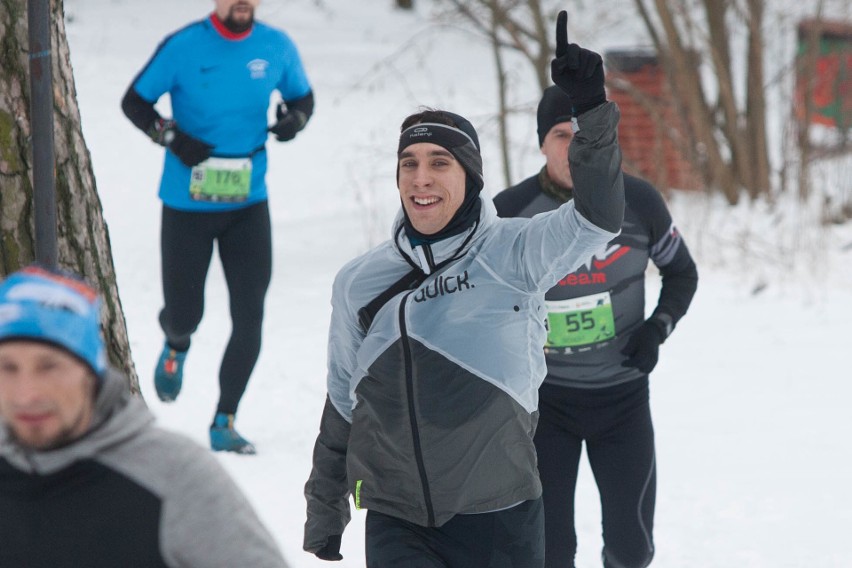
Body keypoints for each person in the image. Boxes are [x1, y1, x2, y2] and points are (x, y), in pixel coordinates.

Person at [303, 13, 624, 567]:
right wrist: (325, 503)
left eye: (438, 163)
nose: (420, 178)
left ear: (470, 176)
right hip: (396, 518)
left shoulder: (515, 253)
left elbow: (597, 217)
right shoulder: (360, 283)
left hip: (499, 515)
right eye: (409, 164)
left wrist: (592, 110)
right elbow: (341, 397)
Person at [493, 84, 699, 568]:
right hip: (544, 408)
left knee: (631, 549)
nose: (576, 147)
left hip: (622, 401)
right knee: (550, 550)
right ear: (541, 142)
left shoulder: (640, 202)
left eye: (587, 135)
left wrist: (657, 329)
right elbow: (481, 301)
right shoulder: (508, 213)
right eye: (562, 135)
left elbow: (682, 273)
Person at [0, 265, 291, 568]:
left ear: (90, 373)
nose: (26, 394)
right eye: (8, 367)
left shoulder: (173, 475)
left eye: (49, 367)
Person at [120, 0, 314, 454]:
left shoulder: (276, 46)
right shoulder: (184, 46)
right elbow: (135, 101)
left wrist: (295, 121)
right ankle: (176, 340)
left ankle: (225, 419)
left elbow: (303, 98)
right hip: (186, 205)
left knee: (250, 315)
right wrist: (170, 136)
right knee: (187, 313)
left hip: (248, 204)